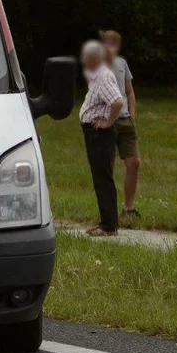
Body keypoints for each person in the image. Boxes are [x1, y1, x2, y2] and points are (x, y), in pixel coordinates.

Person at [79, 40, 125, 237]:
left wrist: (108, 122)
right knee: (99, 177)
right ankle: (106, 221)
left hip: (100, 133)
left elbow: (117, 101)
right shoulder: (96, 77)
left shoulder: (104, 77)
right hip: (93, 132)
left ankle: (108, 225)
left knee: (103, 178)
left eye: (86, 57)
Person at [100, 30, 140, 217]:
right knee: (107, 166)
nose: (111, 47)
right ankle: (109, 211)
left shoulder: (122, 63)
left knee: (134, 162)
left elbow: (129, 92)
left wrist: (132, 114)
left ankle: (129, 208)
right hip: (108, 121)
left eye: (114, 43)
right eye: (107, 43)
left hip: (125, 120)